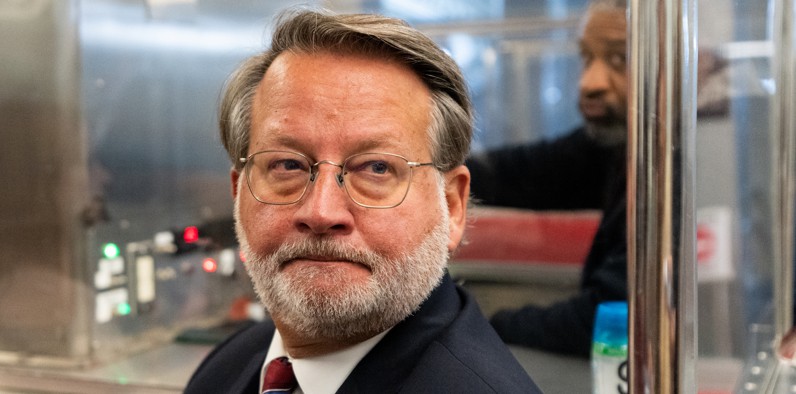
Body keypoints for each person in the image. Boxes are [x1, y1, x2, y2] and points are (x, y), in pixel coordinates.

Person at [185, 8, 540, 393]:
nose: (321, 211)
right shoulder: (229, 367)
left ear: (451, 206)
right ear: (239, 194)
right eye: (287, 164)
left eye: (376, 168)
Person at [465, 0, 629, 357]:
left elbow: (608, 317)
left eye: (620, 60)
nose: (590, 83)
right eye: (587, 58)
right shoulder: (622, 147)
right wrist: (420, 168)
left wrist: (483, 327)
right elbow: (523, 172)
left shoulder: (670, 165)